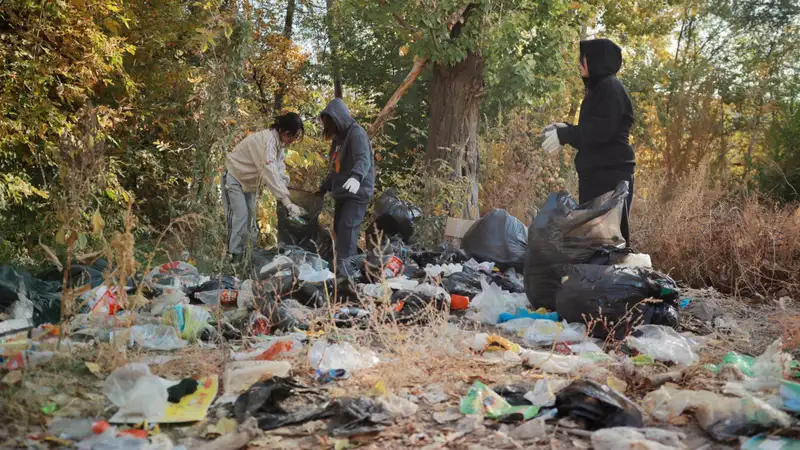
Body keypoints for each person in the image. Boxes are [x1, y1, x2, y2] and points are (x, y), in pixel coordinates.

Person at [542, 38, 635, 246]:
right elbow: (592, 129)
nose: (579, 64)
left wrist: (565, 136)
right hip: (599, 175)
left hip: (610, 177)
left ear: (596, 60)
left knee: (608, 240)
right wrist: (564, 128)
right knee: (593, 240)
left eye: (583, 59)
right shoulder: (600, 89)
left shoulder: (610, 88)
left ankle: (611, 277)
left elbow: (600, 131)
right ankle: (594, 277)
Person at [222, 112, 306, 259]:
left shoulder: (279, 145)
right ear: (280, 129)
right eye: (289, 135)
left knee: (251, 220)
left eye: (293, 137)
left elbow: (279, 169)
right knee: (240, 217)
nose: (291, 140)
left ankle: (249, 256)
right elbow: (270, 172)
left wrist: (286, 192)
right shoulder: (266, 142)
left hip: (249, 184)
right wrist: (287, 202)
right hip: (234, 177)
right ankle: (233, 257)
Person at [318, 98, 375, 265]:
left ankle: (346, 272)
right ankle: (341, 268)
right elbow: (336, 168)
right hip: (343, 192)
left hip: (357, 192)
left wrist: (356, 176)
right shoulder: (338, 139)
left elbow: (363, 159)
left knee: (347, 229)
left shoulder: (356, 133)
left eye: (330, 124)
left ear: (339, 119)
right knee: (338, 230)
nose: (329, 129)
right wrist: (324, 187)